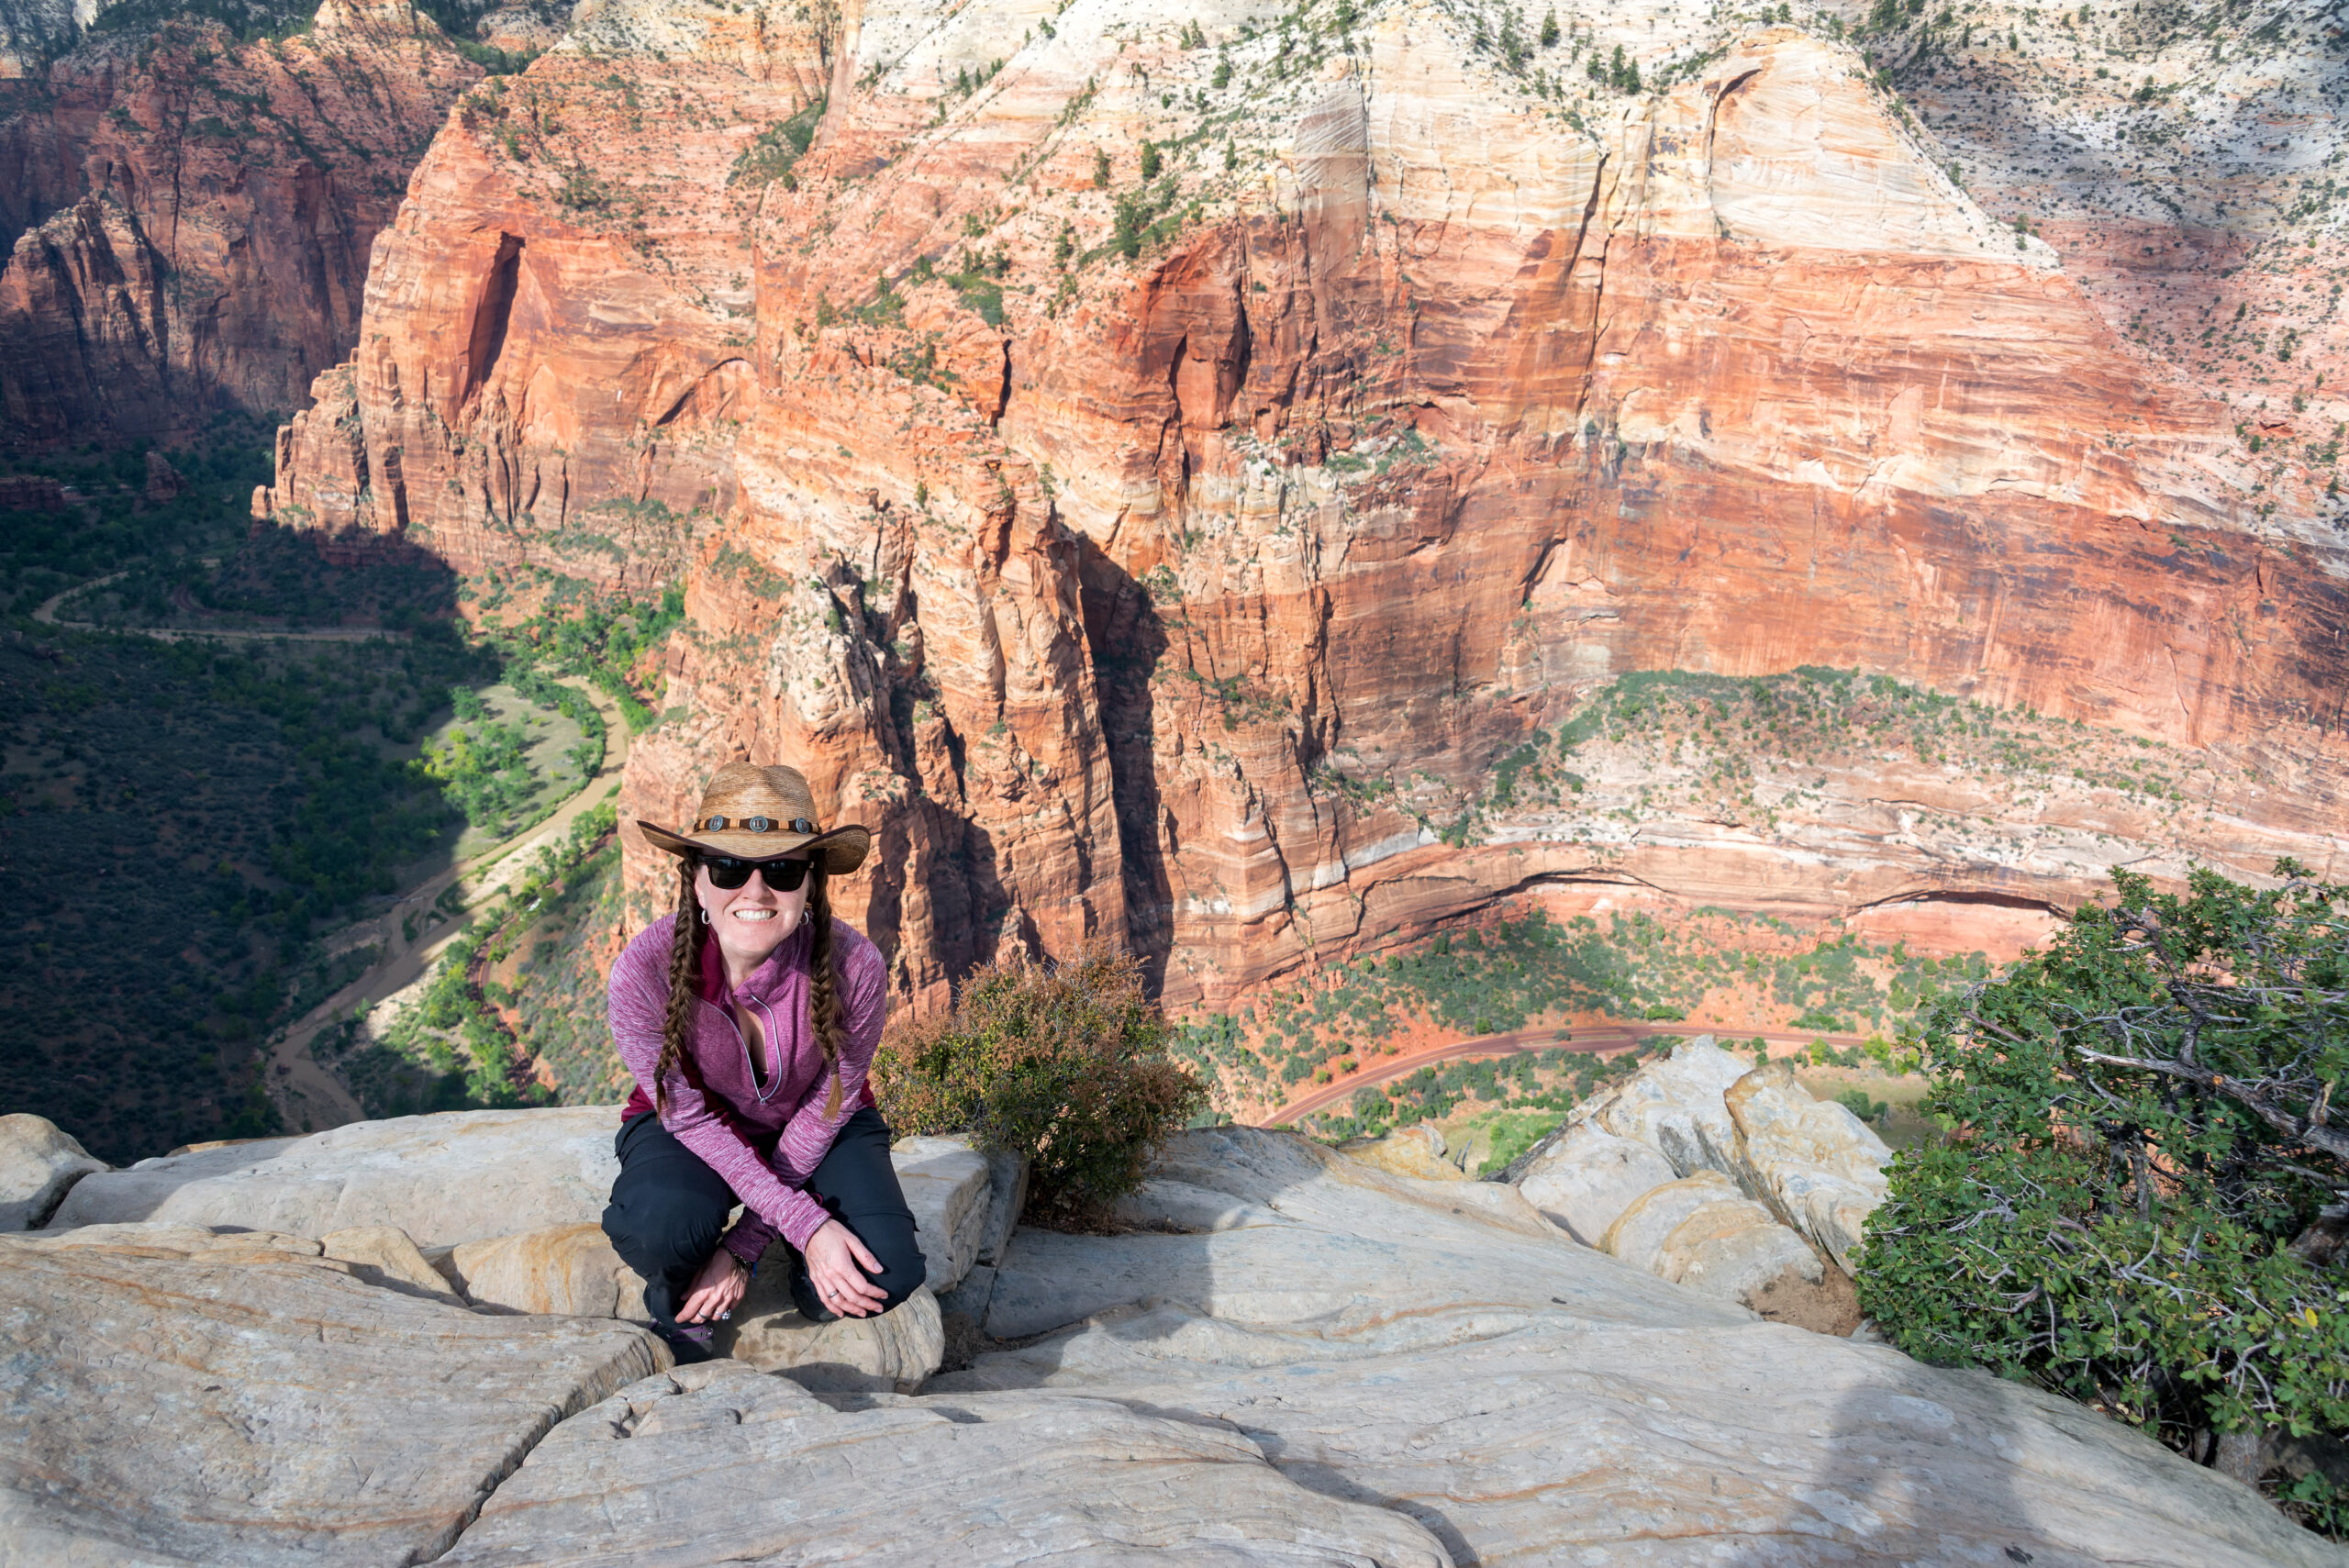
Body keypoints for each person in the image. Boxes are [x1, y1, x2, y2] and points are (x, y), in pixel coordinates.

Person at [600, 761, 925, 1362]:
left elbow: (826, 1114)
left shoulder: (855, 969)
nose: (755, 890)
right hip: (691, 1129)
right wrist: (806, 1222)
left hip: (822, 1126)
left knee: (887, 1270)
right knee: (658, 1228)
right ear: (697, 881)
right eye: (728, 866)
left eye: (781, 868)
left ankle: (807, 1275)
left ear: (810, 883)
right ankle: (686, 1303)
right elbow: (690, 1120)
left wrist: (752, 1243)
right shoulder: (644, 971)